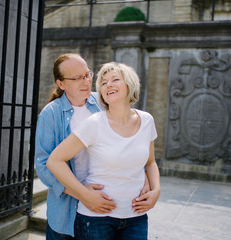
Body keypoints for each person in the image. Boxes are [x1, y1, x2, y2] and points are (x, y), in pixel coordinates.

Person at [35, 54, 151, 240]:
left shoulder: (103, 101)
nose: (86, 81)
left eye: (87, 74)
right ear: (61, 84)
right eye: (77, 78)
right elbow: (43, 165)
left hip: (107, 209)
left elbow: (128, 138)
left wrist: (143, 175)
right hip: (66, 211)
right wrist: (82, 194)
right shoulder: (51, 114)